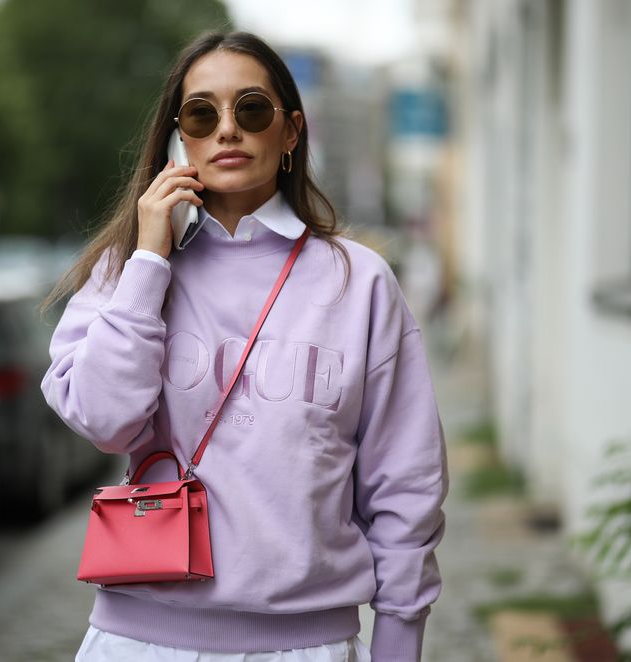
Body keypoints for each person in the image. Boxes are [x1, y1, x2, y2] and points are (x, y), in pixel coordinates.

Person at [41, 30, 448, 662]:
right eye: (202, 114)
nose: (227, 129)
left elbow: (405, 484)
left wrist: (397, 640)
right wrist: (149, 263)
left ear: (291, 132)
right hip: (136, 642)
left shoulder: (359, 282)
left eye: (251, 109)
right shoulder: (128, 272)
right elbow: (104, 421)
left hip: (305, 645)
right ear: (180, 138)